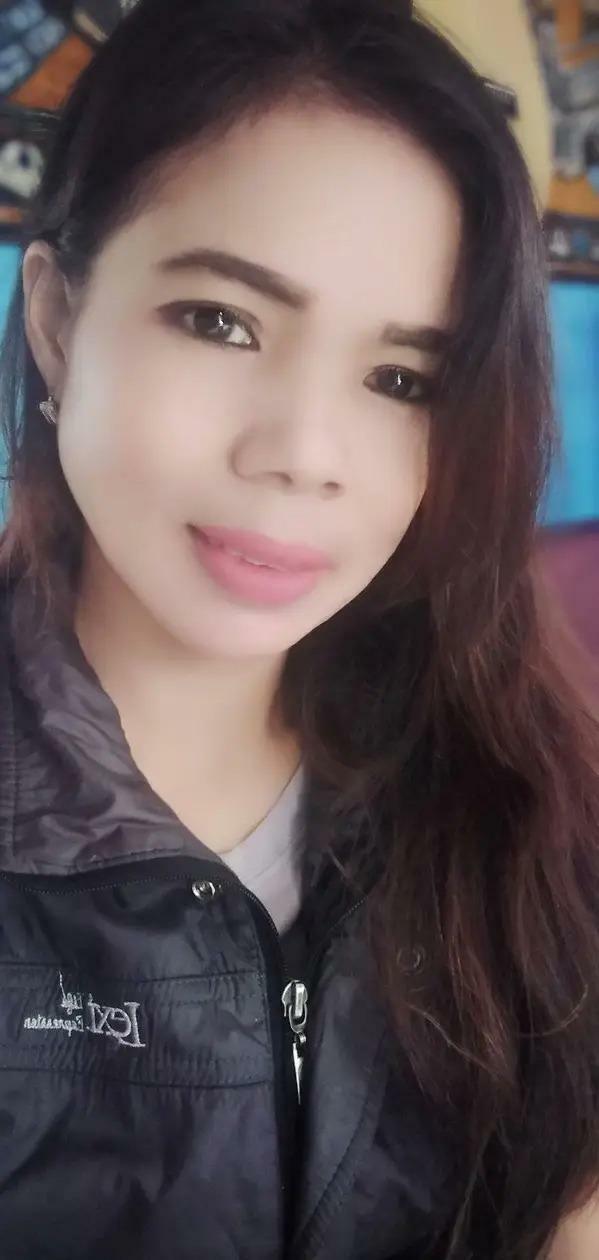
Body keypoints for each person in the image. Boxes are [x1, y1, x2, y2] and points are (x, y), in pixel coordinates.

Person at [0, 1, 598, 1257]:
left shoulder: (522, 796)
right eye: (221, 320)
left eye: (399, 380)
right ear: (55, 324)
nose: (303, 454)